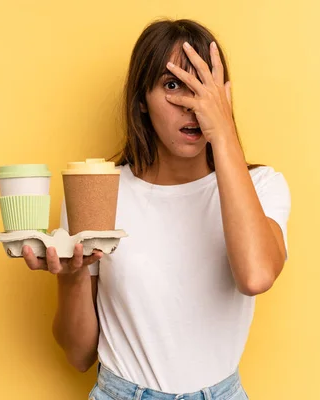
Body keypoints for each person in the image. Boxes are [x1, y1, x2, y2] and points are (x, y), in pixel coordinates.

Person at [22, 18, 290, 400]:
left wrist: (224, 133)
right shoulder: (99, 192)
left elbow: (255, 276)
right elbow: (80, 355)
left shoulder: (263, 187)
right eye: (172, 85)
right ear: (141, 103)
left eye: (204, 85)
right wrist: (71, 278)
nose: (191, 104)